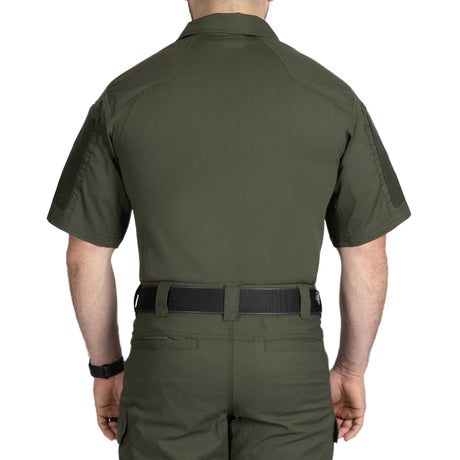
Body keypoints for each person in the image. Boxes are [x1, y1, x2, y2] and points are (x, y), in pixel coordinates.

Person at [46, 1, 412, 459]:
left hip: (169, 361)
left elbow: (84, 256)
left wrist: (106, 370)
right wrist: (351, 369)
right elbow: (368, 255)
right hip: (288, 361)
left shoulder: (125, 96)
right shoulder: (333, 98)